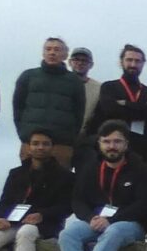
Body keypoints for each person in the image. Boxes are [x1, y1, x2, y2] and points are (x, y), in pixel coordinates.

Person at [58, 123, 147, 251]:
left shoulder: (140, 168)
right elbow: (77, 200)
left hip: (129, 224)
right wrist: (90, 218)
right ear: (100, 144)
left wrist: (112, 220)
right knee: (68, 235)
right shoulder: (90, 168)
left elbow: (144, 204)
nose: (112, 146)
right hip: (96, 220)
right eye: (107, 141)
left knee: (114, 231)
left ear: (126, 144)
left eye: (117, 141)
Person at [11, 37, 89, 165]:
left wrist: (70, 137)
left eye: (57, 50)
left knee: (61, 183)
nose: (52, 53)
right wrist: (23, 133)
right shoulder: (28, 76)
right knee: (28, 182)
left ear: (65, 55)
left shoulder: (74, 81)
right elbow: (18, 107)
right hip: (31, 142)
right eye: (48, 49)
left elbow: (78, 112)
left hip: (62, 143)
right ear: (43, 53)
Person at [96, 46, 147, 161]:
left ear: (143, 64)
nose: (133, 64)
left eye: (137, 61)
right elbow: (111, 111)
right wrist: (143, 108)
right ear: (121, 62)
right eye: (129, 60)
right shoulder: (109, 87)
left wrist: (125, 104)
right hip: (113, 145)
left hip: (142, 148)